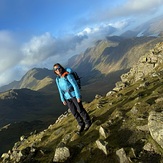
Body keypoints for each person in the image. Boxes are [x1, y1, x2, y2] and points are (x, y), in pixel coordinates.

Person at [53, 63, 91, 134]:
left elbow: (75, 85)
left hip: (73, 95)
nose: (58, 70)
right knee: (74, 112)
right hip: (67, 98)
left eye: (59, 68)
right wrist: (63, 99)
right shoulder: (57, 79)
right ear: (55, 71)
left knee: (80, 110)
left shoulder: (67, 75)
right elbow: (60, 90)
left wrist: (78, 96)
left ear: (61, 68)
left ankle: (88, 122)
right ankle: (81, 124)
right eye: (56, 69)